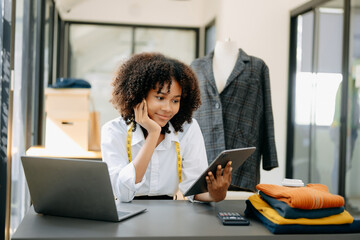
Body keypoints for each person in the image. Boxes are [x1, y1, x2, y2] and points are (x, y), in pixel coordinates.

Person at [101, 52, 232, 203]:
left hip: (169, 213)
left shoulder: (187, 129)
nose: (168, 108)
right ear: (139, 96)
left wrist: (216, 195)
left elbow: (193, 189)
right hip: (127, 211)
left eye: (175, 101)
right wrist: (153, 134)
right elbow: (123, 193)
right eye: (160, 98)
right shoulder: (114, 131)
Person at [191, 39, 278, 192]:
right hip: (203, 151)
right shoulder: (196, 66)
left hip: (242, 156)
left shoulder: (257, 66)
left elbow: (266, 112)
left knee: (240, 211)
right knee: (202, 208)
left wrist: (270, 157)